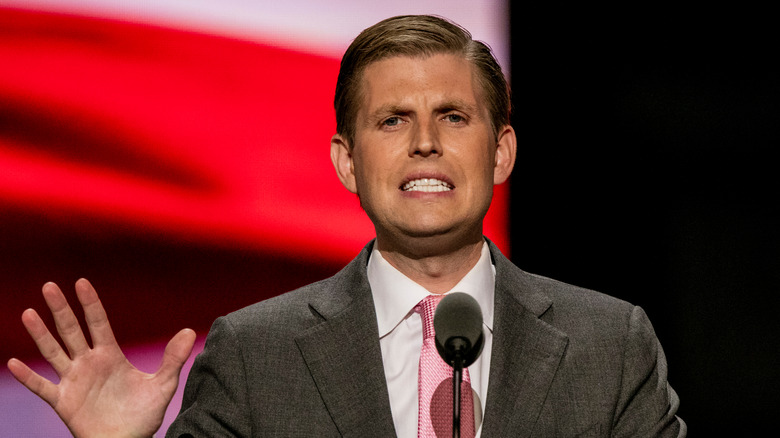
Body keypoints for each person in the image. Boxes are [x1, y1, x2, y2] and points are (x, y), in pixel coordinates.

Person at [7, 15, 686, 437]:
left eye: (453, 116)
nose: (425, 142)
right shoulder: (252, 354)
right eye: (392, 120)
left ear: (502, 150)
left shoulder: (609, 345)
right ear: (347, 162)